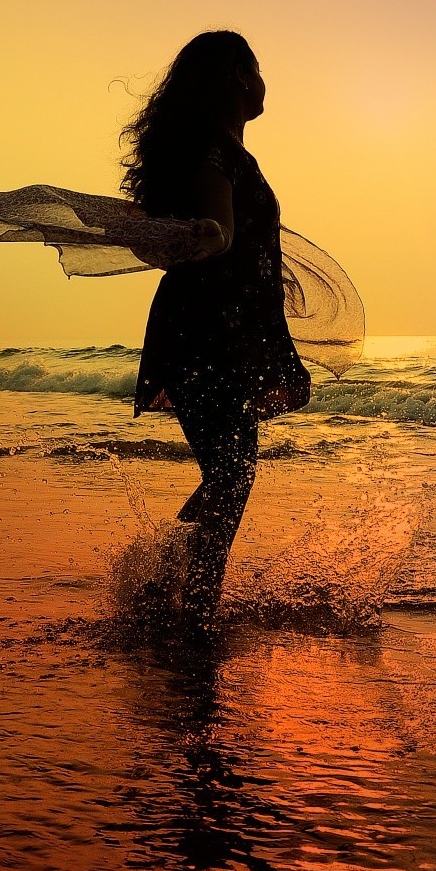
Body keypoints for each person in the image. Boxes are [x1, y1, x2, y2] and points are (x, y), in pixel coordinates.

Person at [122, 31, 312, 627]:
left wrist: (277, 346)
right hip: (209, 335)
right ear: (233, 77)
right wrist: (213, 235)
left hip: (228, 331)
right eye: (255, 70)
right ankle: (194, 608)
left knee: (230, 473)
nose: (262, 84)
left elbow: (247, 254)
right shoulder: (215, 154)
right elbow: (220, 227)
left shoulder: (221, 150)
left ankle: (162, 584)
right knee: (231, 475)